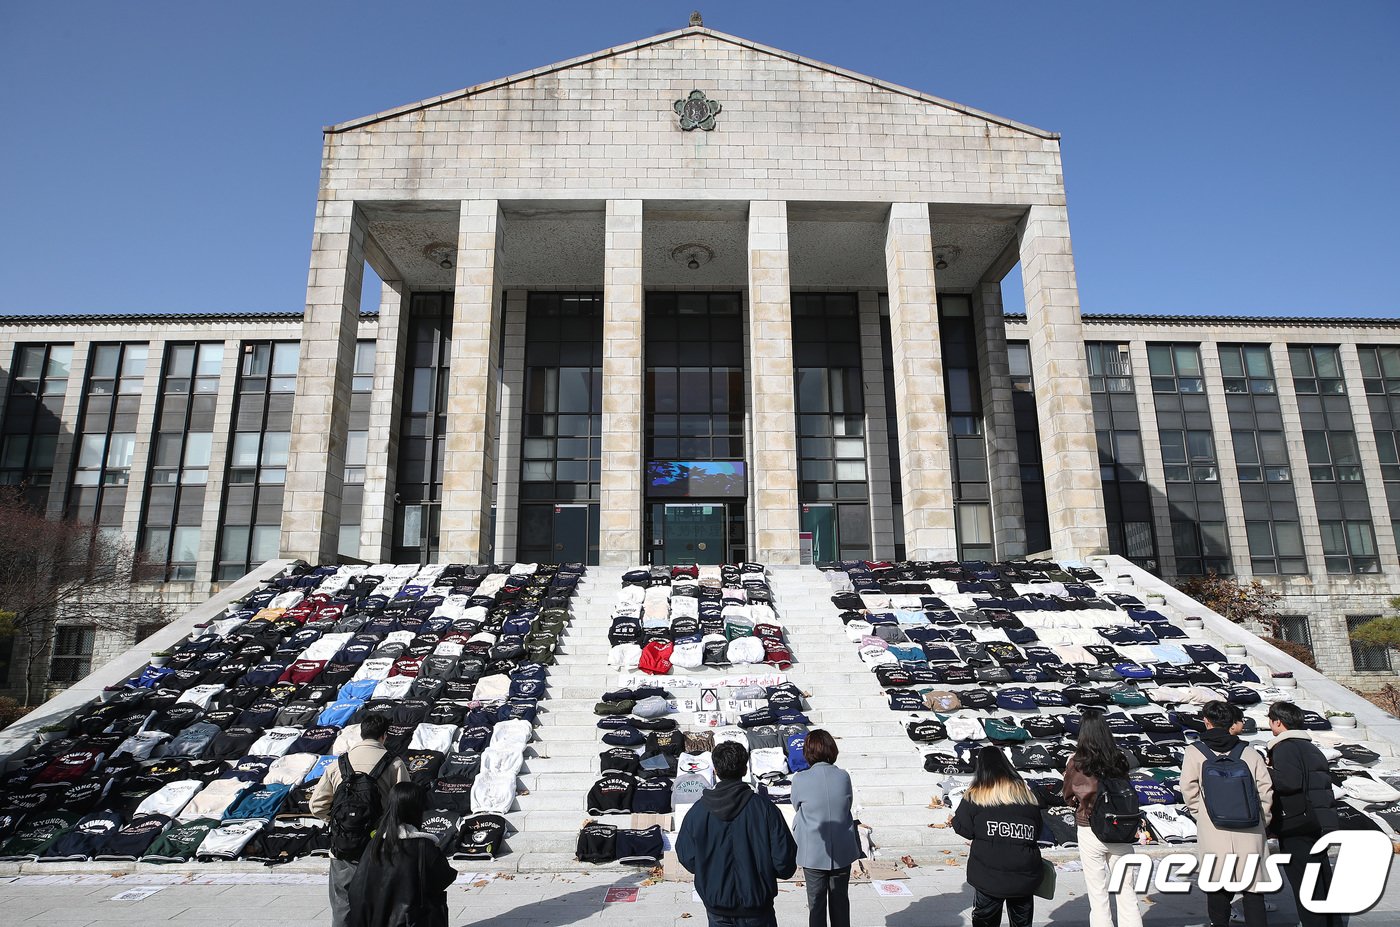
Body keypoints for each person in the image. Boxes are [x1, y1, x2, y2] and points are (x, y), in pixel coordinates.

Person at [677, 740, 798, 927]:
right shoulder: (765, 809)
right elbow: (784, 861)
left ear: (715, 770)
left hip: (722, 906)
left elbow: (687, 855)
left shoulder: (697, 812)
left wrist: (710, 871)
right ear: (745, 770)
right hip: (755, 906)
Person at [310, 713, 411, 927]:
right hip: (379, 845)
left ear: (361, 734)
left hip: (342, 846)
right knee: (380, 903)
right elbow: (405, 806)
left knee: (342, 906)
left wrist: (339, 821)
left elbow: (316, 805)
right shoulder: (394, 764)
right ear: (384, 736)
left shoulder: (339, 764)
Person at [1180, 700, 1274, 927]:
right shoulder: (1248, 752)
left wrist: (1202, 815)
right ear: (1231, 722)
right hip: (1249, 829)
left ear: (1206, 721)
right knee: (1253, 889)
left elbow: (1188, 789)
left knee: (1217, 886)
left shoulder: (1195, 752)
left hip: (1214, 828)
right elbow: (1265, 790)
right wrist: (1262, 820)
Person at [1063, 709, 1144, 927]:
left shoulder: (1076, 762)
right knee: (1127, 891)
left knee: (1097, 894)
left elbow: (1068, 797)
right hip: (1121, 827)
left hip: (1089, 827)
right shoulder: (1119, 758)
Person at [1266, 701, 1342, 927]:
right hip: (1319, 820)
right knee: (1321, 878)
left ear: (1278, 721)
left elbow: (1289, 782)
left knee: (1305, 882)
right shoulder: (1311, 747)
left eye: (1271, 721)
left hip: (1297, 822)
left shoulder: (1285, 747)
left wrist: (1266, 770)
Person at [951, 746, 1044, 927]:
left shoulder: (976, 795)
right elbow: (1037, 831)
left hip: (989, 873)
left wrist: (954, 820)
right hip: (1024, 873)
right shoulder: (1027, 795)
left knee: (985, 919)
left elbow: (965, 829)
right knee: (1022, 921)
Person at [346, 782, 457, 927]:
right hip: (411, 920)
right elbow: (445, 877)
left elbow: (357, 888)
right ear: (417, 809)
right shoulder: (423, 846)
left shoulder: (375, 843)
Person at [790, 729, 864, 927]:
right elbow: (846, 804)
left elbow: (796, 805)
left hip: (813, 850)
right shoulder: (843, 776)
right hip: (842, 847)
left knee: (816, 904)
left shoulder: (799, 779)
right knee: (840, 903)